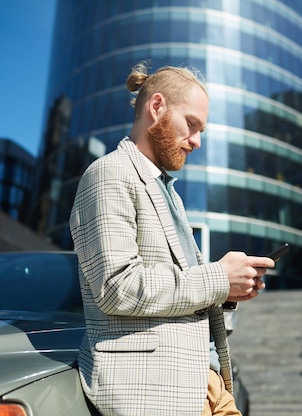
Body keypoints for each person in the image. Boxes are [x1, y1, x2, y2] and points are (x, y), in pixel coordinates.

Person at [69, 61, 274, 416]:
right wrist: (218, 277)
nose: (196, 141)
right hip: (151, 392)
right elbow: (119, 286)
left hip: (207, 387)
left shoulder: (169, 193)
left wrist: (227, 290)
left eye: (201, 130)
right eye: (191, 125)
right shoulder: (109, 174)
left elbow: (182, 290)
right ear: (157, 107)